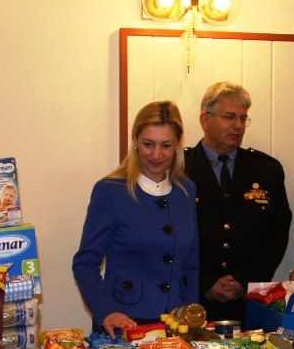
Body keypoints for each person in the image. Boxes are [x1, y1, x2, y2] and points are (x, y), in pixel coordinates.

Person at [73, 101, 199, 336]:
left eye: (166, 145)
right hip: (124, 323)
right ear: (135, 141)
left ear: (177, 145)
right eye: (148, 144)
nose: (156, 154)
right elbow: (85, 263)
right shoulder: (110, 190)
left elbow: (191, 265)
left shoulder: (186, 191)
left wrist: (192, 315)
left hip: (176, 323)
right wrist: (106, 311)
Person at [184, 82, 292, 323]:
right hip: (193, 300)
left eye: (243, 118)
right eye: (229, 117)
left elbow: (277, 233)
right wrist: (204, 281)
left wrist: (245, 280)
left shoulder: (267, 170)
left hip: (248, 302)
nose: (238, 126)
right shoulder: (180, 168)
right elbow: (171, 236)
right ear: (205, 120)